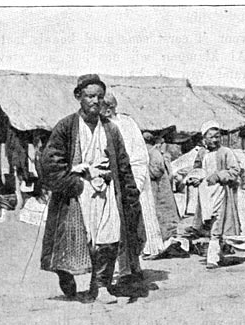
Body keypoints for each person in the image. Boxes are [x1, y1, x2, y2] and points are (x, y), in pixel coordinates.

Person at [40, 74, 141, 304]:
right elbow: (50, 162)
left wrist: (129, 194)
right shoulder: (66, 126)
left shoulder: (111, 130)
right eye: (90, 96)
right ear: (79, 97)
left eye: (99, 96)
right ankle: (65, 275)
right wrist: (72, 182)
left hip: (106, 189)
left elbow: (123, 165)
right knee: (76, 238)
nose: (95, 101)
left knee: (108, 236)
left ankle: (101, 286)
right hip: (79, 190)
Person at [101, 93, 151, 286]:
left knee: (131, 226)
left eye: (109, 105)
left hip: (128, 183)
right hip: (106, 186)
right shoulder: (95, 126)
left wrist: (136, 185)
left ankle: (132, 267)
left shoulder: (127, 124)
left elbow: (139, 156)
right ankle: (115, 271)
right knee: (111, 228)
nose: (106, 108)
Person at [186, 121, 242, 269]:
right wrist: (195, 179)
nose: (215, 140)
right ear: (204, 138)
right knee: (208, 222)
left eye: (217, 136)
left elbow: (235, 170)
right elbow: (196, 169)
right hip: (205, 193)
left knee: (218, 220)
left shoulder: (226, 152)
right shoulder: (202, 153)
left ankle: (212, 257)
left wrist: (219, 175)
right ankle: (219, 254)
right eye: (211, 137)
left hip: (220, 191)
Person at [143, 132, 181, 259]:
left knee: (162, 217)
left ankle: (163, 246)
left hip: (159, 189)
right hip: (156, 189)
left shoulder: (153, 152)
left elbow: (156, 171)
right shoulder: (154, 152)